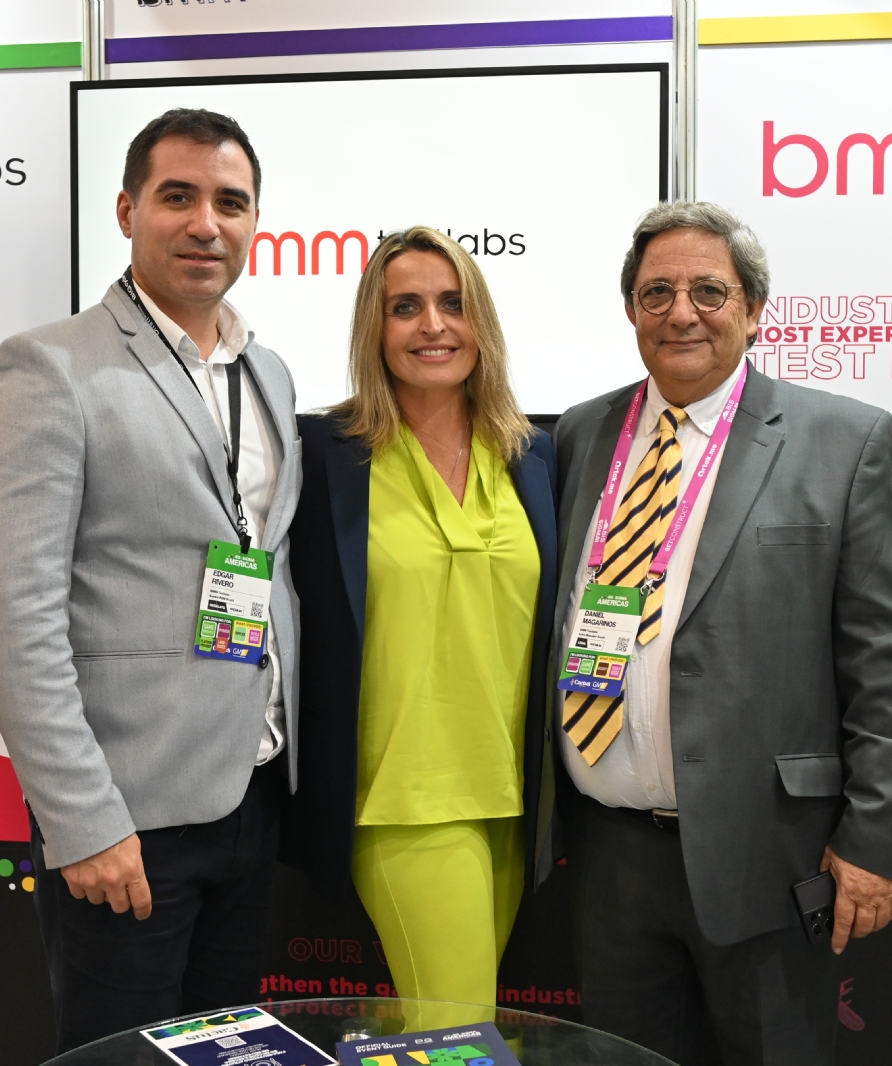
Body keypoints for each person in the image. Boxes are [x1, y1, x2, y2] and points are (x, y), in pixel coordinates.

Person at [552, 201, 892, 1065]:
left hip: (768, 853)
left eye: (709, 291)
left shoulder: (845, 441)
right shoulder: (581, 433)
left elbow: (886, 669)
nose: (680, 313)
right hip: (607, 859)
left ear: (755, 309)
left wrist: (877, 841)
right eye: (656, 293)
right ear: (630, 310)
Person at [0, 109, 301, 1054]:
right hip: (126, 822)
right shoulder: (51, 367)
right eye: (177, 197)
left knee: (226, 1049)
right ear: (126, 211)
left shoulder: (267, 372)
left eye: (230, 202)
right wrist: (82, 822)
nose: (206, 224)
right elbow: (9, 618)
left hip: (252, 795)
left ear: (255, 220)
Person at [284, 226, 558, 1029]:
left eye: (452, 303)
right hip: (402, 797)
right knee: (460, 1035)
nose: (432, 325)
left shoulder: (534, 456)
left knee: (434, 1029)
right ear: (374, 328)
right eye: (405, 307)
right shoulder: (323, 456)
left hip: (516, 801)